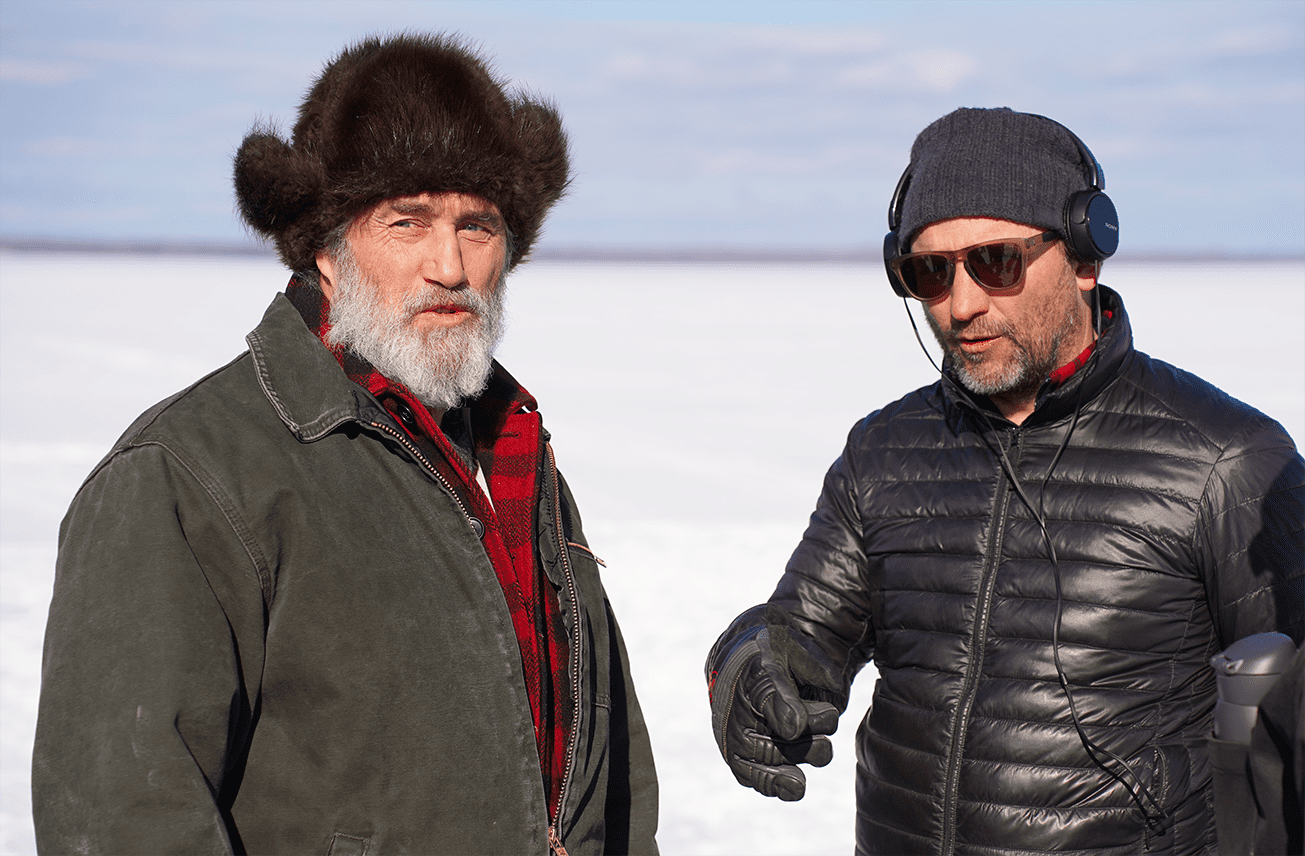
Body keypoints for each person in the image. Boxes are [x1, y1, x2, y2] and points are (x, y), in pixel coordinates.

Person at [33, 33, 658, 855]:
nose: (449, 265)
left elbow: (605, 772)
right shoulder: (188, 475)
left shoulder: (513, 450)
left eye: (479, 226)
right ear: (324, 248)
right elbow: (124, 820)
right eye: (406, 221)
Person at [705, 107, 1303, 854]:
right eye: (928, 272)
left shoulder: (1227, 459)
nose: (959, 305)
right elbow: (797, 639)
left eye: (995, 262)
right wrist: (744, 668)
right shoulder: (884, 451)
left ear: (1085, 255)